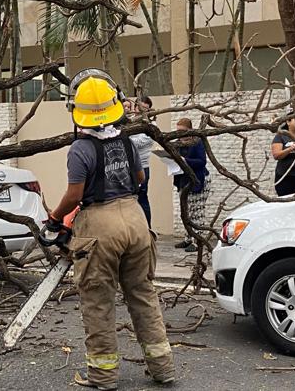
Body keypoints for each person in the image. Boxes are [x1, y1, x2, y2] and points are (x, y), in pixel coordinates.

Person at [47, 69, 175, 390]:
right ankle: (162, 367)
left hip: (99, 225)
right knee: (143, 294)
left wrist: (54, 216)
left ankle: (103, 376)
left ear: (78, 112)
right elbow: (141, 179)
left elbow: (74, 195)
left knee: (98, 301)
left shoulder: (80, 150)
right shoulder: (129, 143)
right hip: (135, 220)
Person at [172, 118, 211, 253]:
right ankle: (188, 238)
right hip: (183, 181)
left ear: (189, 130)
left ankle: (197, 241)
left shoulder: (197, 142)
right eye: (177, 131)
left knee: (197, 212)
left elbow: (201, 161)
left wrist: (185, 161)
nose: (179, 134)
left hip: (198, 181)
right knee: (185, 211)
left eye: (182, 131)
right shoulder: (177, 143)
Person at [127, 96, 155, 227]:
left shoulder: (151, 125)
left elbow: (140, 142)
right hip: (127, 167)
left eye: (146, 109)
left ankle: (147, 229)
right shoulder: (130, 122)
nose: (141, 112)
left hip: (142, 167)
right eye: (140, 108)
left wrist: (125, 138)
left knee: (142, 198)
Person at [272, 112, 295, 196]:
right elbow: (276, 155)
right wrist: (290, 149)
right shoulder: (281, 136)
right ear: (288, 122)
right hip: (286, 178)